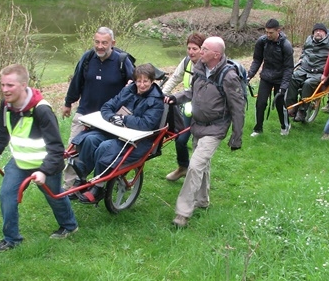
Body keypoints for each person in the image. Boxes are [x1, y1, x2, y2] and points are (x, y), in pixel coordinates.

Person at [0, 64, 78, 253]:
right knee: (7, 196)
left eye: (10, 85)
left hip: (46, 165)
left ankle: (69, 226)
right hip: (19, 162)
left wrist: (43, 171)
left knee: (53, 196)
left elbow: (56, 147)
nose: (5, 90)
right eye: (2, 85)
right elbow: (2, 131)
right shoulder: (6, 105)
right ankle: (11, 239)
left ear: (23, 85)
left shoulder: (42, 110)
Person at [166, 37, 245, 227]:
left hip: (215, 129)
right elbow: (191, 93)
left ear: (216, 55)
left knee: (195, 165)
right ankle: (203, 200)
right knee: (202, 164)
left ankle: (182, 213)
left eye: (204, 49)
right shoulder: (200, 69)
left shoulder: (229, 76)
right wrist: (174, 98)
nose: (200, 52)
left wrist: (236, 137)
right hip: (198, 125)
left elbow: (238, 108)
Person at [72, 64, 165, 204]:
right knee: (90, 139)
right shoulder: (128, 90)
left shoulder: (156, 101)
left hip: (137, 141)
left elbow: (147, 124)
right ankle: (81, 179)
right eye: (138, 81)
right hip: (116, 131)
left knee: (105, 147)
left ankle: (98, 187)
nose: (142, 84)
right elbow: (107, 107)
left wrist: (124, 119)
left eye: (146, 81)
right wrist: (112, 117)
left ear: (152, 81)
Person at [61, 27, 134, 192]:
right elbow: (76, 81)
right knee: (73, 147)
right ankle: (70, 186)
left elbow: (134, 88)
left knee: (108, 148)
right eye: (97, 42)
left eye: (104, 43)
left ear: (112, 43)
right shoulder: (87, 58)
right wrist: (68, 103)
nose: (100, 46)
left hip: (109, 116)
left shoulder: (122, 61)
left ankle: (107, 180)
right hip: (85, 112)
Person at [161, 33, 206, 181]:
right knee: (180, 140)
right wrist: (161, 95)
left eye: (195, 48)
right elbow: (175, 78)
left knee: (199, 146)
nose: (191, 52)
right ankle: (183, 167)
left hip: (205, 113)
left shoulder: (208, 66)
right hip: (189, 110)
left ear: (202, 49)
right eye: (189, 48)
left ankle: (197, 176)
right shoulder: (187, 62)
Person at [247, 18, 294, 136]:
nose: (268, 35)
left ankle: (285, 126)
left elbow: (289, 68)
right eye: (266, 32)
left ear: (278, 30)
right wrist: (249, 75)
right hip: (266, 76)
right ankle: (258, 129)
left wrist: (283, 87)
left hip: (281, 78)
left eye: (271, 33)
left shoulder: (286, 45)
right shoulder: (262, 42)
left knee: (279, 104)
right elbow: (257, 60)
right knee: (260, 103)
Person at [286, 23, 329, 122]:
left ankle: (302, 111)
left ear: (325, 33)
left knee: (308, 84)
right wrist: (301, 58)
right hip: (304, 69)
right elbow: (304, 51)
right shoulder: (309, 39)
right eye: (316, 31)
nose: (318, 32)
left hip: (319, 72)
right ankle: (291, 107)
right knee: (292, 77)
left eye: (321, 31)